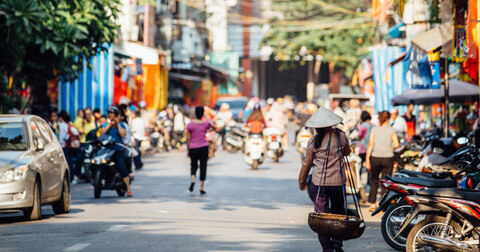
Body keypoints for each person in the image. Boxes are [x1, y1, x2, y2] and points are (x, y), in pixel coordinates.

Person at [298, 107, 351, 252]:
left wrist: (301, 181)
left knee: (321, 217)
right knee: (339, 214)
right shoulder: (341, 136)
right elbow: (347, 152)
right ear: (331, 124)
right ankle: (337, 243)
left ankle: (326, 248)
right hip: (338, 182)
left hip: (319, 183)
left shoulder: (314, 141)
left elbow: (307, 164)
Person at [366, 111, 399, 211]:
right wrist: (390, 148)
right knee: (386, 182)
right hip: (388, 157)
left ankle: (372, 204)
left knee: (374, 180)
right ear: (388, 119)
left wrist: (367, 159)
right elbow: (396, 144)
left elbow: (370, 145)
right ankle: (383, 204)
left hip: (375, 157)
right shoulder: (392, 130)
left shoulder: (374, 129)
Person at [101, 106, 133, 197]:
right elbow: (102, 134)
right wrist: (109, 125)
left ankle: (128, 187)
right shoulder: (106, 125)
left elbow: (122, 134)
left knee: (122, 168)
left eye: (111, 113)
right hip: (107, 150)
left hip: (118, 150)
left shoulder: (122, 125)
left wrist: (117, 124)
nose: (110, 115)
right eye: (109, 113)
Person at [186, 106, 215, 195]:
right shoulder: (205, 124)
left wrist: (188, 149)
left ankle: (193, 179)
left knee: (193, 165)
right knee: (203, 166)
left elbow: (188, 138)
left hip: (193, 148)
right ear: (202, 113)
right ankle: (201, 187)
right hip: (203, 147)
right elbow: (214, 127)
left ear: (195, 113)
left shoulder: (190, 124)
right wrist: (206, 117)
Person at [58, 111, 81, 183]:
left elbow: (62, 137)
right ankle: (72, 177)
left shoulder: (61, 125)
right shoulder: (68, 124)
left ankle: (68, 178)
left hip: (64, 146)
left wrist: (60, 145)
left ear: (61, 118)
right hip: (70, 145)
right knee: (70, 162)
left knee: (66, 163)